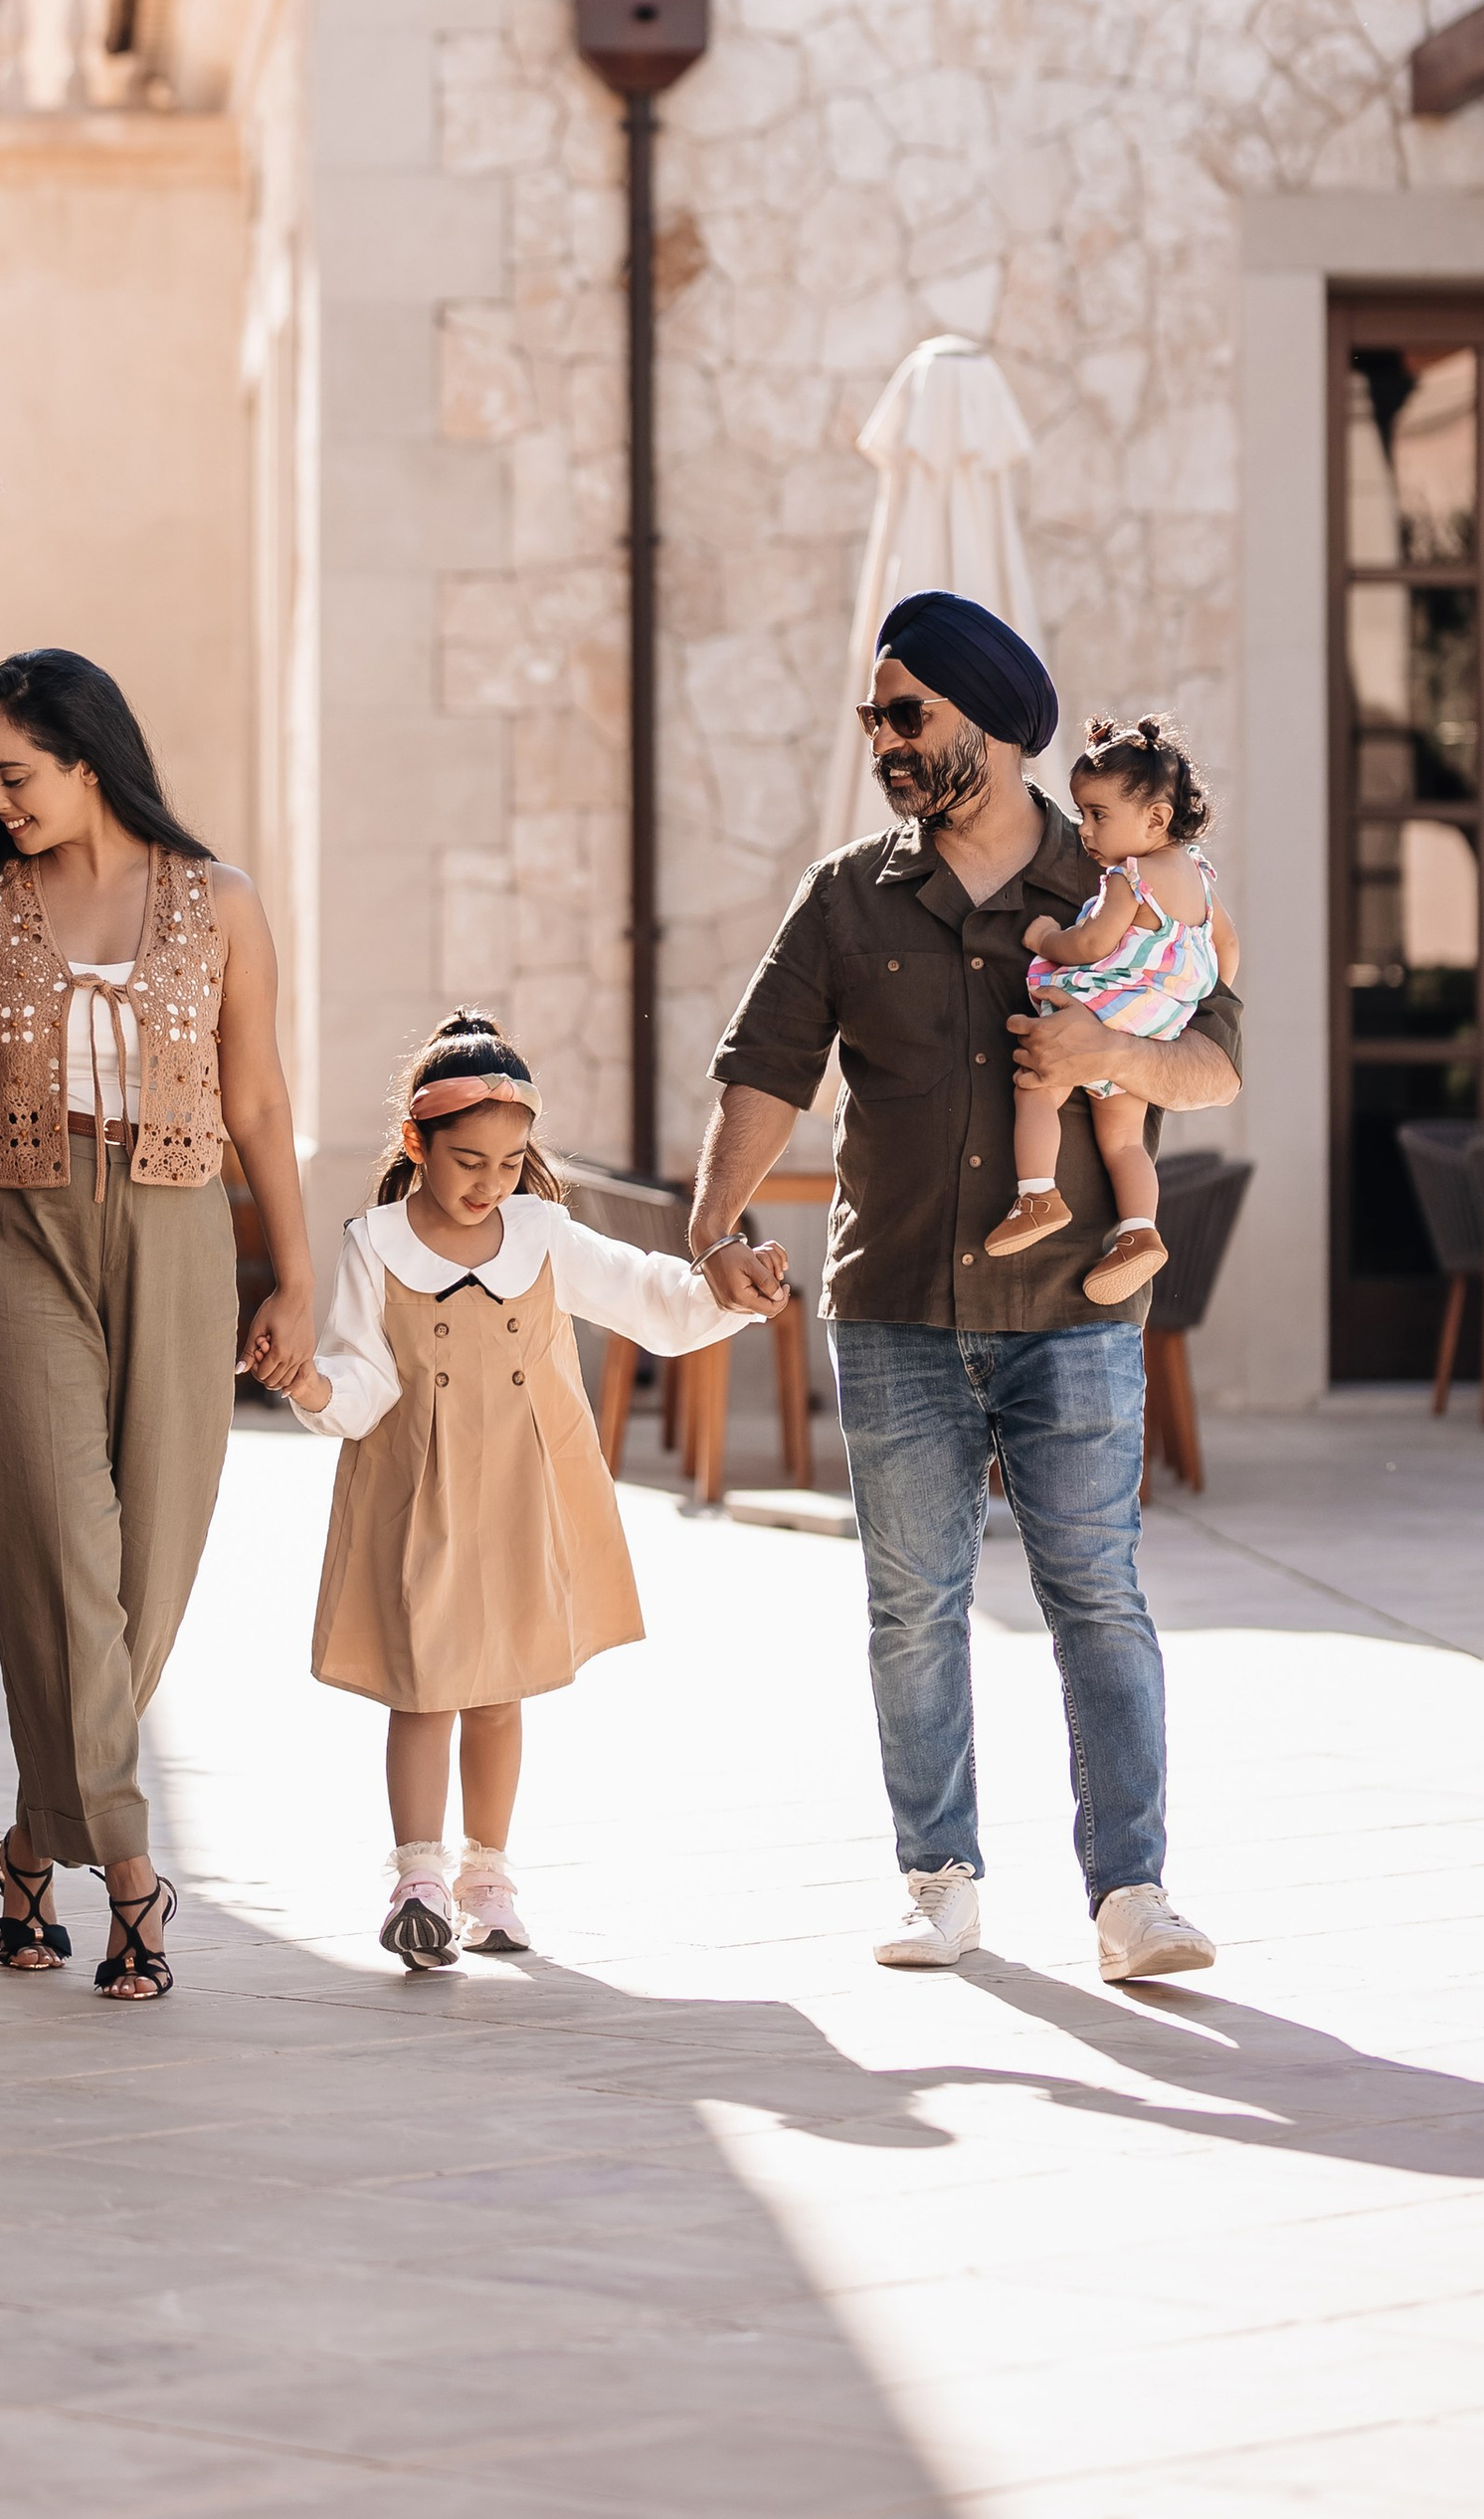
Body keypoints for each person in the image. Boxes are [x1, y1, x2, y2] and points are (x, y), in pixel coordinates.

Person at [689, 591, 1241, 1985]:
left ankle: (1133, 1895)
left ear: (986, 726)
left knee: (1096, 1594)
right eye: (875, 714)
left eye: (904, 712)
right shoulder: (846, 894)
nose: (882, 737)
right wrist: (713, 1226)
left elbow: (1217, 1060)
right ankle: (939, 1875)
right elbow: (764, 1068)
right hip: (893, 1309)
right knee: (913, 1603)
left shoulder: (1120, 880)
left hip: (1076, 1303)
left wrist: (1110, 1052)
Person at [0, 649, 317, 2002]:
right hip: (12, 1230)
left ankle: (35, 1847)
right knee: (59, 1554)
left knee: (146, 1566)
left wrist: (297, 1277)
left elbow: (259, 1103)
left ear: (88, 758)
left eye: (15, 772)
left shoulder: (222, 906)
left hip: (177, 1229)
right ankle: (135, 1873)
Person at [256, 1013, 780, 1969]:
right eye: (467, 1161)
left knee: (498, 1692)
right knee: (421, 1689)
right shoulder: (372, 1245)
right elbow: (361, 1379)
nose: (488, 1183)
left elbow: (650, 1296)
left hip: (523, 1492)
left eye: (507, 1162)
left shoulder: (543, 1235)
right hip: (419, 1495)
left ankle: (487, 1878)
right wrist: (308, 1384)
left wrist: (727, 1288)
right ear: (414, 1144)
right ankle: (415, 1876)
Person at [987, 712, 1238, 1305]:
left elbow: (1092, 944)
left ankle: (1037, 1194)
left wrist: (1046, 938)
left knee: (1036, 1084)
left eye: (1098, 816)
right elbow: (1227, 947)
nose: (1084, 831)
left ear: (1155, 818)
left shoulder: (1130, 877)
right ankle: (1138, 1231)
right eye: (1081, 815)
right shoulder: (1199, 876)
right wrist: (1184, 1005)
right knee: (1124, 1139)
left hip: (1107, 1009)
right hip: (1159, 1022)